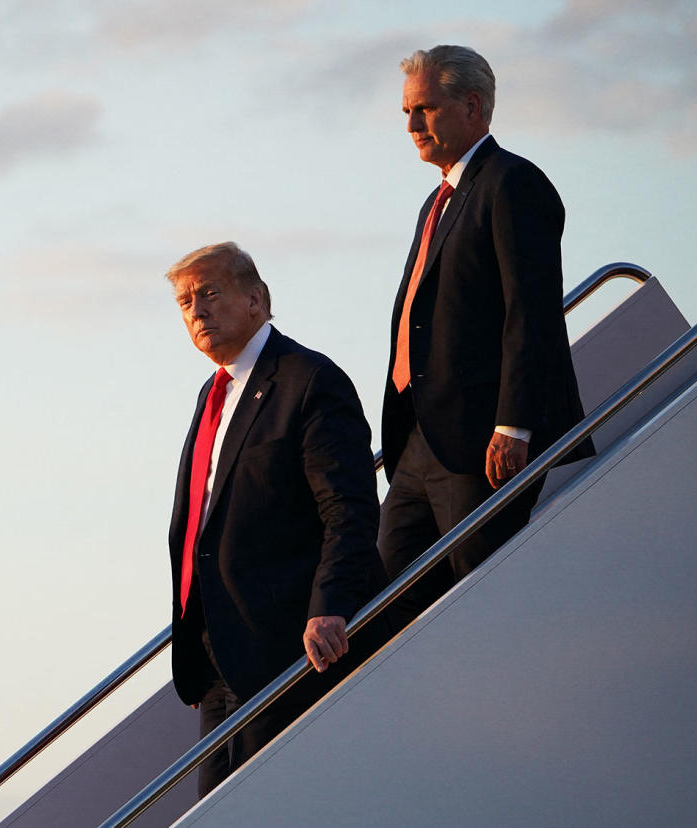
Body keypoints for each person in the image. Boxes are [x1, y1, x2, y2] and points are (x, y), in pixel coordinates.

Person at [379, 45, 594, 627]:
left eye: (424, 109)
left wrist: (513, 424)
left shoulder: (512, 183)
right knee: (383, 609)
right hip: (417, 441)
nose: (411, 125)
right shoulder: (438, 199)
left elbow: (533, 311)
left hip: (480, 441)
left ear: (472, 106)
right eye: (407, 111)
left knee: (479, 604)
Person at [165, 241, 388, 797]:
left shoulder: (308, 379)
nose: (198, 311)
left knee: (278, 805)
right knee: (218, 810)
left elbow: (350, 507)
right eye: (186, 303)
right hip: (218, 655)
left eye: (211, 293)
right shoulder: (211, 393)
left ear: (257, 299)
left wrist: (331, 607)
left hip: (289, 646)